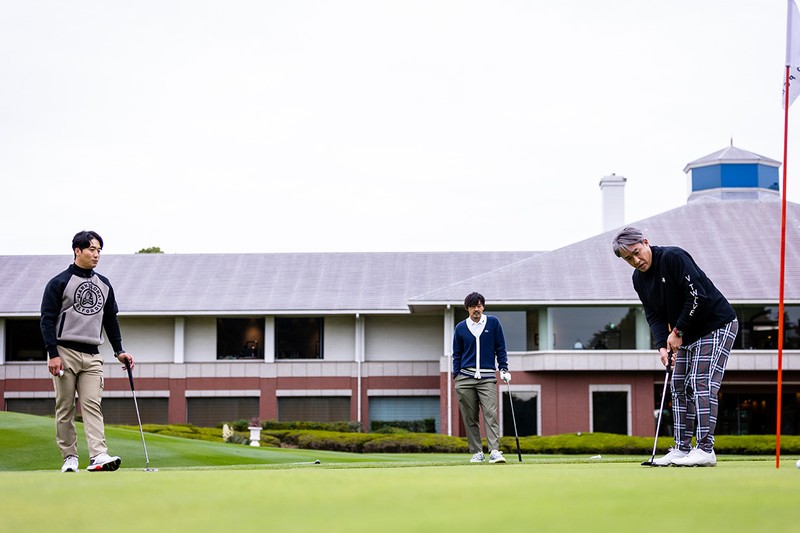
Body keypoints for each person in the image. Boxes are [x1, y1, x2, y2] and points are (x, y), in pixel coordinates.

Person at [612, 227, 738, 467]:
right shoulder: (639, 279)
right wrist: (662, 345)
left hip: (716, 324)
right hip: (686, 332)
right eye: (628, 259)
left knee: (701, 383)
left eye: (637, 252)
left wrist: (678, 331)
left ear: (646, 242)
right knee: (678, 386)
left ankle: (705, 450)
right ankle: (682, 449)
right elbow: (654, 315)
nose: (636, 261)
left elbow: (697, 296)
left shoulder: (673, 257)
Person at [40, 230, 135, 473]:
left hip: (93, 355)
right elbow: (47, 320)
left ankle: (98, 455)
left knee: (93, 404)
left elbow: (110, 319)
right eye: (92, 249)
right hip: (64, 352)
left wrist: (119, 351)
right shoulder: (59, 282)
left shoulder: (104, 284)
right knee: (65, 407)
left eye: (99, 250)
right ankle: (69, 457)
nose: (96, 255)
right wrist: (53, 353)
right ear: (77, 251)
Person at [452, 292, 510, 464]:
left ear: (483, 307)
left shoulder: (493, 323)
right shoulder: (460, 327)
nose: (476, 309)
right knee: (470, 417)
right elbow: (457, 353)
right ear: (467, 308)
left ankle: (494, 451)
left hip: (487, 377)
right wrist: (456, 375)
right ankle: (477, 452)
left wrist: (503, 368)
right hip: (465, 377)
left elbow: (500, 348)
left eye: (479, 306)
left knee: (490, 413)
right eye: (472, 306)